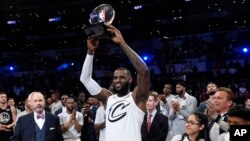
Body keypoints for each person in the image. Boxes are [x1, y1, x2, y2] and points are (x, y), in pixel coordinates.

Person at [80, 24, 150, 141]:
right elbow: (85, 79)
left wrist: (122, 43)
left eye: (122, 77)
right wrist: (90, 52)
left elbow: (144, 71)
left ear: (130, 79)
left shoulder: (137, 98)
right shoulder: (109, 99)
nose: (118, 80)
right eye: (115, 77)